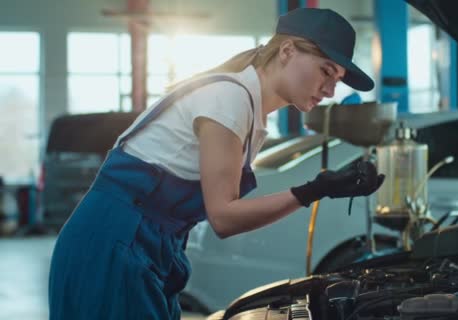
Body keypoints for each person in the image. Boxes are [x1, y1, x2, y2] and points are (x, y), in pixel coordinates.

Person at [48, 7, 384, 319]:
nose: (329, 90)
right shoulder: (229, 100)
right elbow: (223, 217)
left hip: (149, 246)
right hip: (113, 243)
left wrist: (317, 189)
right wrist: (315, 189)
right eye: (325, 71)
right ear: (287, 51)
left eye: (336, 79)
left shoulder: (251, 112)